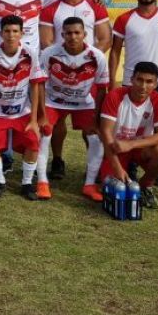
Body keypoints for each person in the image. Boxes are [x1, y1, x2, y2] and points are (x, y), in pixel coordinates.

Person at [39, 17, 109, 201]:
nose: (73, 37)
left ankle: (90, 184)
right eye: (68, 33)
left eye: (77, 32)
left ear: (85, 34)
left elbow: (102, 88)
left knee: (96, 138)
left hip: (83, 103)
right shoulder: (49, 53)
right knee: (44, 133)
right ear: (62, 35)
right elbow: (39, 84)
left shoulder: (97, 56)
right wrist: (41, 113)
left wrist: (97, 119)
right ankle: (42, 182)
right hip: (53, 101)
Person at [0, 15, 47, 199]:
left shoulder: (30, 53)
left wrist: (34, 119)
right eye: (7, 31)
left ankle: (26, 183)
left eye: (15, 31)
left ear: (22, 33)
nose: (11, 35)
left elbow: (35, 85)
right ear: (0, 33)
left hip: (22, 111)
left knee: (33, 139)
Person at [99, 61, 158, 209]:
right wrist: (117, 167)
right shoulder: (115, 96)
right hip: (116, 148)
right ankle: (117, 168)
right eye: (139, 80)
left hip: (140, 148)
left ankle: (145, 186)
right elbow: (106, 132)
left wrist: (131, 144)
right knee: (112, 188)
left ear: (156, 84)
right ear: (132, 79)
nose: (143, 86)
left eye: (149, 82)